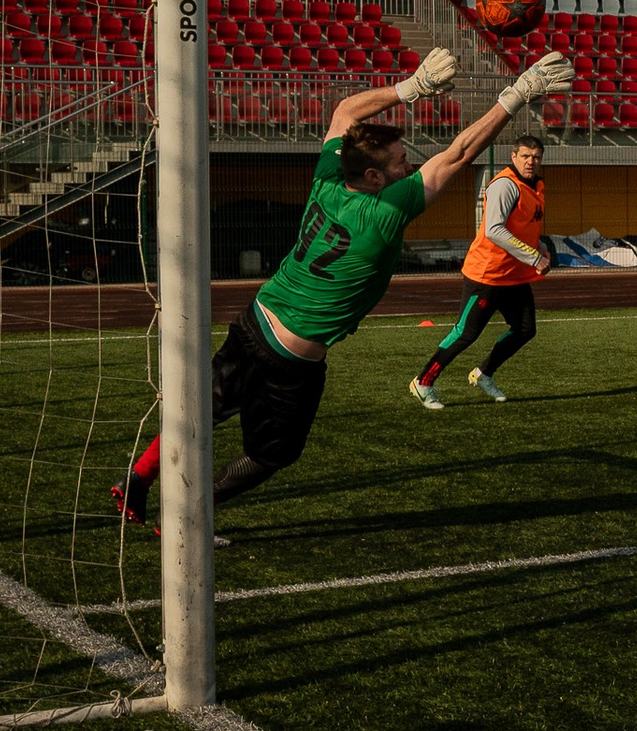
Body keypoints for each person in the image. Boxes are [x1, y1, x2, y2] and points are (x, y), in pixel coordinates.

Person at [112, 46, 577, 524]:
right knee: (272, 455)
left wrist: (409, 89)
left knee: (202, 413)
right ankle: (190, 517)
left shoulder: (329, 175)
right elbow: (458, 153)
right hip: (289, 359)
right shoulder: (384, 211)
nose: (408, 166)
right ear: (374, 176)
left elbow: (345, 111)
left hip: (256, 319)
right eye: (399, 163)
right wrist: (517, 93)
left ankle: (137, 480)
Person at [410, 134, 550, 407]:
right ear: (513, 157)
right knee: (466, 334)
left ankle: (483, 373)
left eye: (535, 157)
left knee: (524, 329)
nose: (531, 162)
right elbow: (494, 230)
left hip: (514, 276)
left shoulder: (537, 186)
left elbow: (524, 225)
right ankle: (423, 381)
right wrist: (534, 258)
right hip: (487, 275)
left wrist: (541, 246)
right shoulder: (505, 186)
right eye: (525, 156)